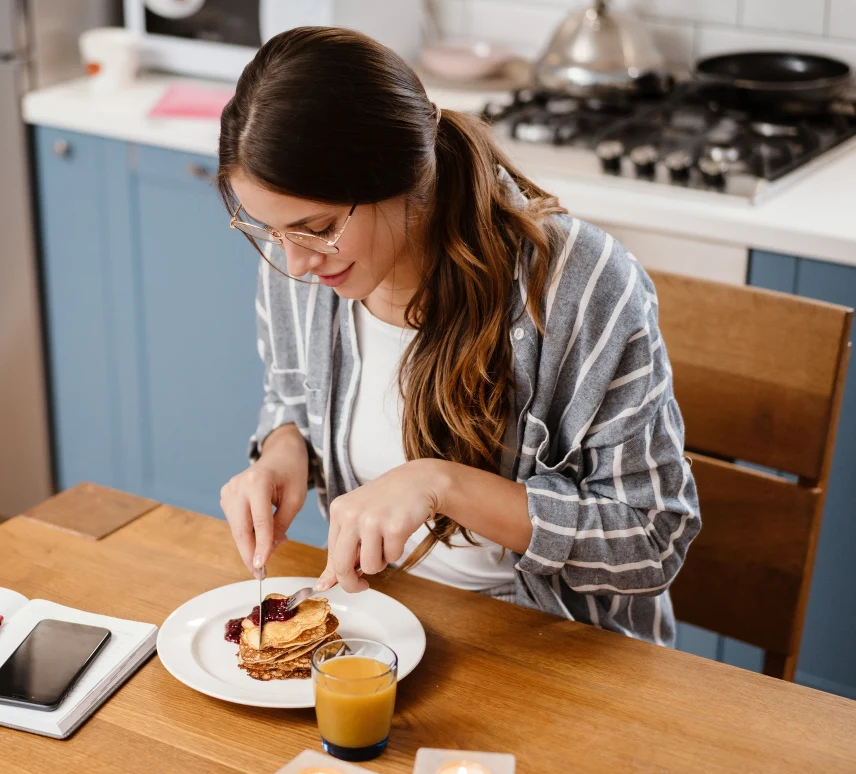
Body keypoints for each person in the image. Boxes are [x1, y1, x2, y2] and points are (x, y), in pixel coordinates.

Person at [216, 27, 700, 644]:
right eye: (268, 232)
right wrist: (284, 448)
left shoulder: (580, 286)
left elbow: (652, 543)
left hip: (553, 645)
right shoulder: (304, 263)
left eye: (318, 227)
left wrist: (441, 484)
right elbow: (291, 397)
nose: (294, 263)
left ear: (400, 175)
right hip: (387, 623)